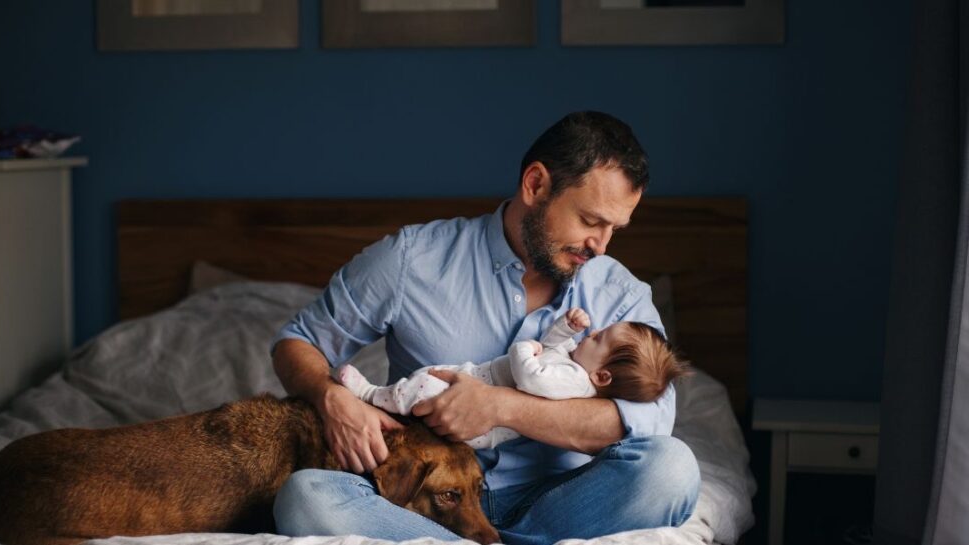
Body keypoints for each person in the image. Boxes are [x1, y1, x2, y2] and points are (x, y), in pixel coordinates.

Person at [269, 111, 701, 545]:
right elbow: (298, 342)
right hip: (425, 499)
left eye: (614, 229)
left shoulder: (620, 293)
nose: (601, 246)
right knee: (306, 498)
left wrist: (500, 408)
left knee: (671, 469)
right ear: (535, 185)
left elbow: (647, 422)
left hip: (560, 503)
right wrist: (332, 399)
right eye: (591, 221)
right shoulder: (410, 259)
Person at [336, 307, 689, 450]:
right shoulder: (576, 366)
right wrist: (565, 329)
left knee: (424, 388)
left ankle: (370, 395)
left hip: (483, 424)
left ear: (602, 375)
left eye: (597, 339)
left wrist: (525, 348)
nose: (590, 334)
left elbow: (532, 376)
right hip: (475, 381)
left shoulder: (573, 381)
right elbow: (554, 349)